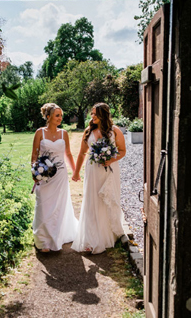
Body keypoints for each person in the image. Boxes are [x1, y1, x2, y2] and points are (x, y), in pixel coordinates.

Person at [71, 103, 127, 254]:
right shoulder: (88, 131)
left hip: (110, 171)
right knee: (92, 201)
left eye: (95, 113)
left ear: (103, 115)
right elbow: (82, 153)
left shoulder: (115, 131)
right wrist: (76, 173)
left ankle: (109, 234)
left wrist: (111, 160)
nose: (92, 116)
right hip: (93, 171)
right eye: (92, 113)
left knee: (108, 200)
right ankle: (91, 238)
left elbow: (122, 151)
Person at [30, 103, 78, 252]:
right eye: (57, 115)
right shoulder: (40, 133)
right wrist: (35, 173)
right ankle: (43, 240)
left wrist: (75, 171)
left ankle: (56, 238)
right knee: (43, 205)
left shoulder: (64, 133)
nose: (60, 118)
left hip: (60, 175)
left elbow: (68, 154)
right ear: (48, 117)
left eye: (61, 115)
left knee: (58, 206)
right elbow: (34, 155)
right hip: (44, 176)